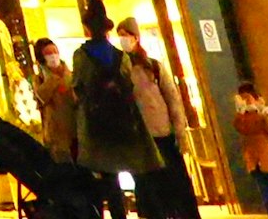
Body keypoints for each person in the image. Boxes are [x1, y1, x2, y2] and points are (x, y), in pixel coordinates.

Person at [69, 17, 151, 219]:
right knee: (130, 171)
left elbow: (78, 87)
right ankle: (132, 212)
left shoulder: (81, 56)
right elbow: (128, 85)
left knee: (104, 177)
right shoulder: (119, 56)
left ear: (87, 28)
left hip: (96, 124)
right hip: (122, 121)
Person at [115, 25, 193, 219]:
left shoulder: (154, 66)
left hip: (163, 134)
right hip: (140, 138)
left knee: (174, 184)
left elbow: (172, 99)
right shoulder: (120, 69)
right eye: (120, 36)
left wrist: (179, 129)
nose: (123, 39)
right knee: (149, 189)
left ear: (136, 37)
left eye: (126, 35)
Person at [231, 86, 268, 219]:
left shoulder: (266, 112)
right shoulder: (243, 116)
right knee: (267, 198)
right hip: (254, 160)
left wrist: (261, 112)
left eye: (248, 97)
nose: (246, 101)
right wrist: (240, 112)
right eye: (242, 98)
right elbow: (240, 129)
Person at [25, 38, 79, 166]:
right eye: (48, 53)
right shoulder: (39, 79)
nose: (53, 56)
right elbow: (40, 97)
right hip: (56, 136)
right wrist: (53, 78)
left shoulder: (71, 75)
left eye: (54, 51)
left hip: (76, 131)